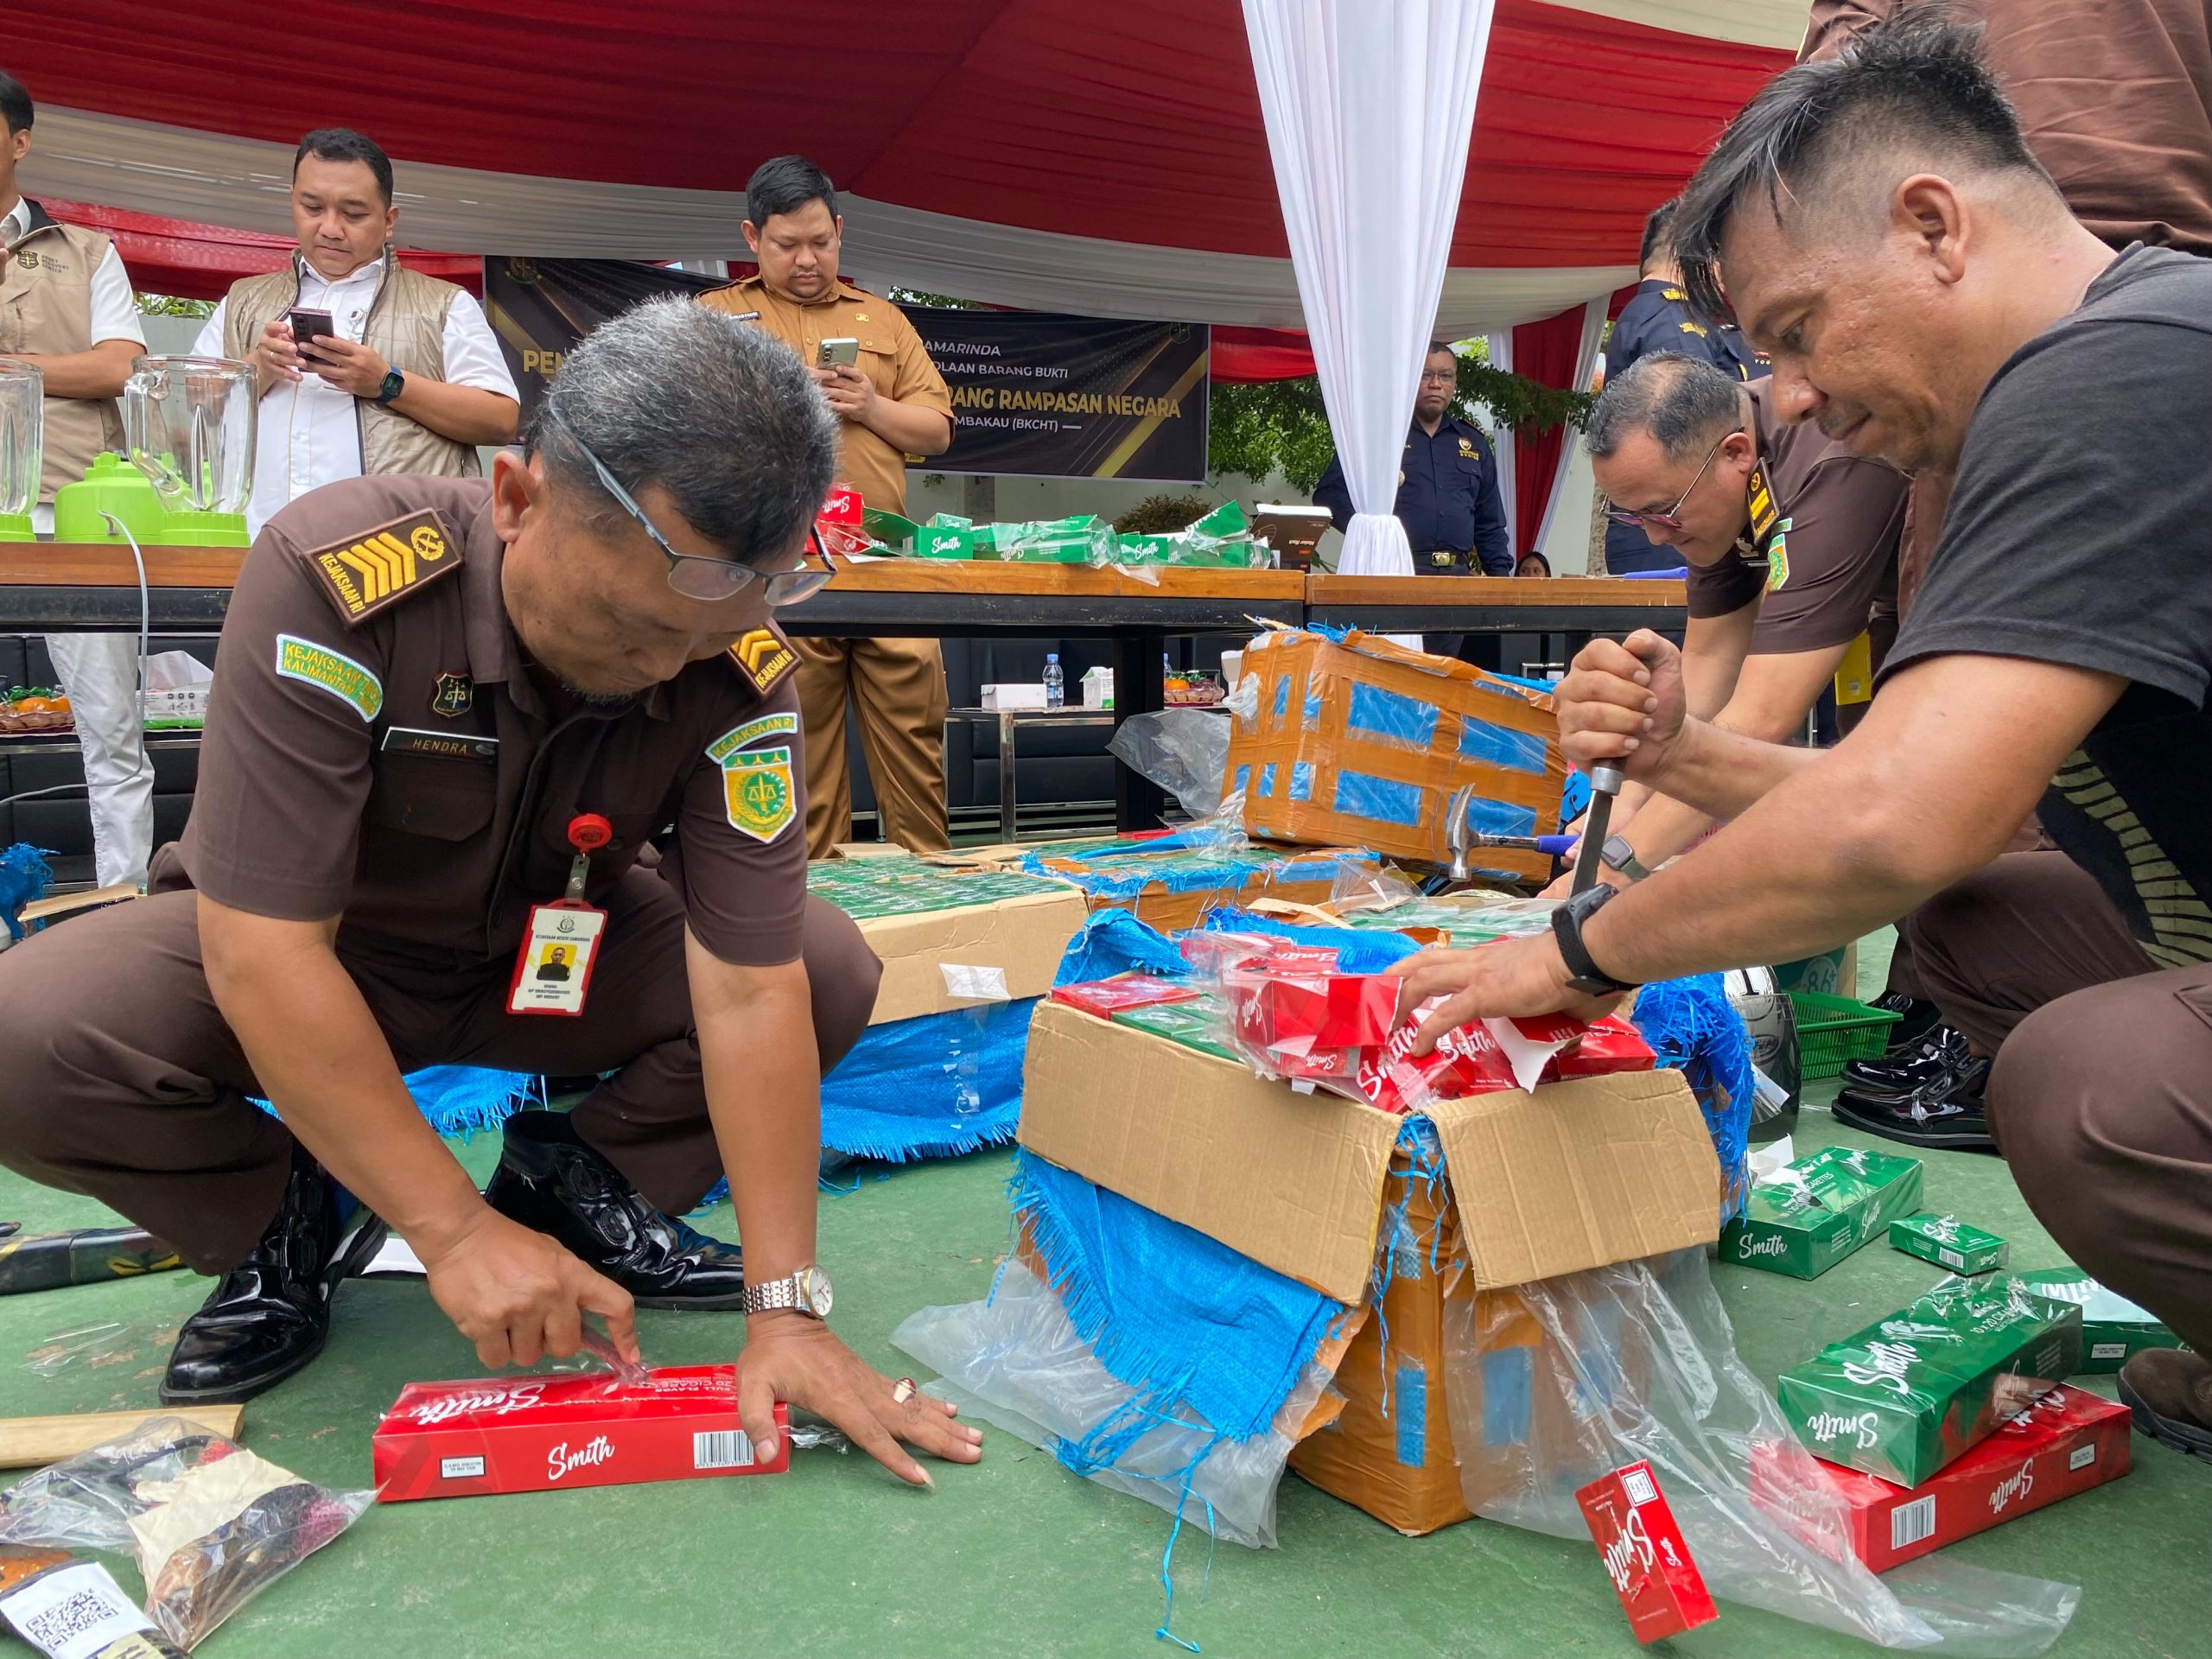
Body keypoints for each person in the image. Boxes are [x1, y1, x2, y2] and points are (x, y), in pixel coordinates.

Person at [1391, 14, 2212, 1471]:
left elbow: (1890, 823)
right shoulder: (2090, 363)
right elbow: (1915, 793)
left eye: (1796, 331)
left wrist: (1579, 951)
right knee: (1972, 924)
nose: (1792, 398)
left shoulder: (2112, 374)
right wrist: (1682, 755)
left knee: (2089, 1091)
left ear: (1933, 226)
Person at [0, 299, 982, 1488]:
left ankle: (575, 1184)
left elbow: (750, 988)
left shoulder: (732, 653)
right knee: (25, 1037)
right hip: (318, 958)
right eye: (634, 626)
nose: (664, 670)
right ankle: (290, 1213)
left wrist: (788, 1313)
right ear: (516, 499)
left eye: (703, 637)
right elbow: (263, 951)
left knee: (823, 963)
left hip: (547, 961)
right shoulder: (337, 575)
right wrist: (452, 1232)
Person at [1568, 353, 1906, 893]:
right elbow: (1709, 664)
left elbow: (1760, 717)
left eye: (1662, 511)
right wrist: (1620, 810)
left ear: (1736, 453)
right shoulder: (1713, 480)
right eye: (1634, 516)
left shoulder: (1833, 459)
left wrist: (1614, 867)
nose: (1654, 536)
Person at [701, 156, 955, 860]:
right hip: (777, 569)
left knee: (917, 747)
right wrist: (780, 404)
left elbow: (936, 431)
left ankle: (934, 890)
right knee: (797, 750)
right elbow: (683, 436)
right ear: (753, 237)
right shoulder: (714, 319)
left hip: (886, 569)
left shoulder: (885, 320)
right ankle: (814, 905)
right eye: (788, 245)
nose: (807, 260)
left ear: (840, 231)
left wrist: (871, 405)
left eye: (821, 241)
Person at [192, 128, 519, 540]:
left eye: (353, 214)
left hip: (399, 554)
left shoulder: (443, 304)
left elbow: (500, 420)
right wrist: (258, 369)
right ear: (292, 201)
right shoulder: (243, 301)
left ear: (389, 221)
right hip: (259, 545)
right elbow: (188, 416)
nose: (330, 228)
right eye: (312, 207)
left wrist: (386, 382)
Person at [0, 68, 156, 893]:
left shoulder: (86, 251)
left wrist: (12, 368)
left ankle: (123, 905)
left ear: (20, 140)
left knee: (110, 728)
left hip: (69, 513)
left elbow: (119, 366)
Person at [1598, 199, 1769, 574]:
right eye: (1717, 254)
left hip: (1659, 525)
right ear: (1693, 253)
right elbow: (1702, 435)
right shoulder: (1674, 321)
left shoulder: (1649, 313)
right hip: (1676, 527)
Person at [1313, 341, 1511, 659]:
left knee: (1441, 674)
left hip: (1455, 582)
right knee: (1392, 671)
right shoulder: (1380, 438)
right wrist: (1373, 533)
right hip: (1394, 573)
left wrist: (1503, 583)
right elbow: (1330, 495)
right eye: (1426, 375)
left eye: (1445, 375)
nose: (1436, 384)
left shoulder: (1472, 443)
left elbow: (1489, 522)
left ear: (1454, 383)